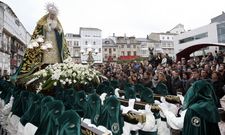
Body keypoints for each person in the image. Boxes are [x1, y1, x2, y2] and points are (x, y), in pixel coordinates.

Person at [11, 3, 70, 82]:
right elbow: (38, 31)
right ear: (49, 13)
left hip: (55, 45)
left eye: (54, 15)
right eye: (52, 14)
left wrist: (57, 28)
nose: (53, 16)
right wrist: (46, 27)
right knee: (44, 59)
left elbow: (61, 33)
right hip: (45, 44)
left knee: (56, 61)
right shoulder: (43, 21)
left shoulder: (58, 22)